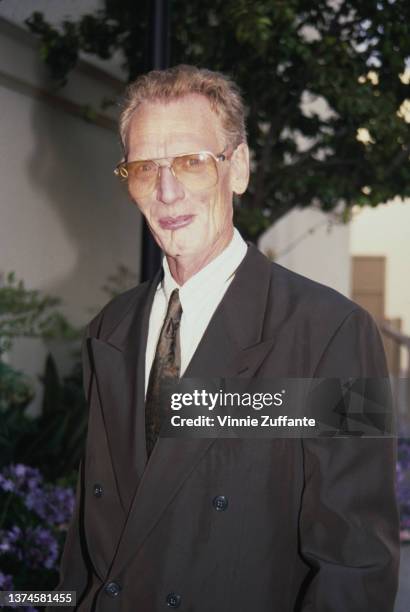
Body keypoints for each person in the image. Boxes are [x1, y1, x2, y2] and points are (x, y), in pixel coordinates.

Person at [52, 65, 399, 611]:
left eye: (191, 162)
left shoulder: (333, 331)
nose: (167, 192)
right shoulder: (110, 329)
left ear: (237, 168)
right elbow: (87, 536)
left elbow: (356, 563)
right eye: (145, 168)